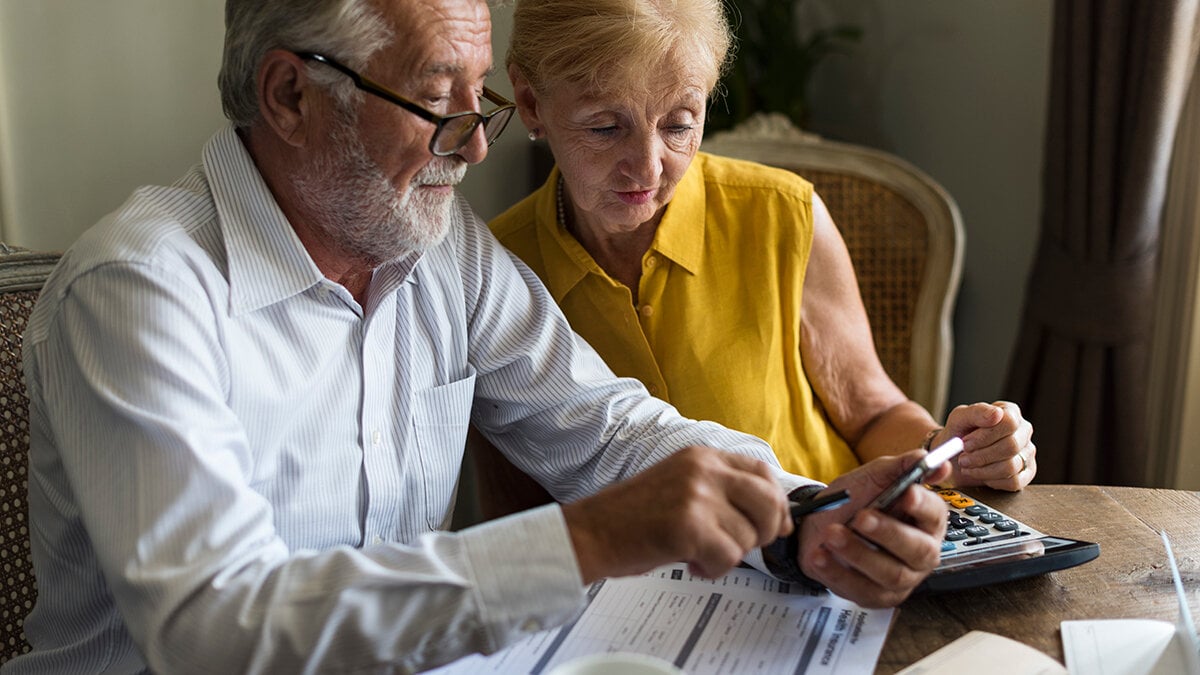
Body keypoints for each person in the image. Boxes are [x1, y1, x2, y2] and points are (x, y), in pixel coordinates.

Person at [5, 0, 951, 673]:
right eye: (435, 101)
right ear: (291, 95)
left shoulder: (437, 243)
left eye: (479, 96)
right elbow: (214, 632)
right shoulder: (138, 291)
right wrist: (583, 539)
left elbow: (607, 427)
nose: (478, 144)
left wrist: (804, 513)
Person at [475, 0, 1037, 517]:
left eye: (678, 123)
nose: (647, 169)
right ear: (530, 102)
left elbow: (873, 414)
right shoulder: (492, 274)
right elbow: (519, 509)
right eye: (604, 127)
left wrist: (947, 454)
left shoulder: (781, 215)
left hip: (827, 561)